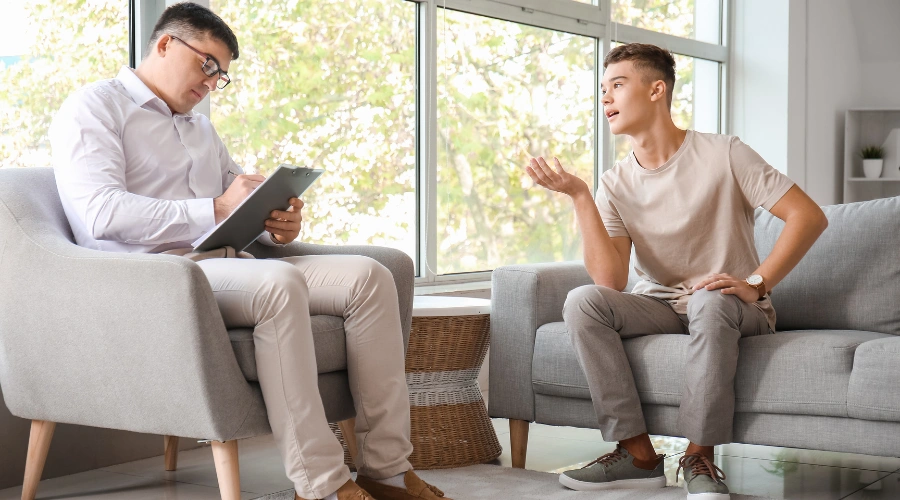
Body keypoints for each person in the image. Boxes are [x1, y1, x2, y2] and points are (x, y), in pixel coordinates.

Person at [49, 3, 449, 500]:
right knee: (279, 284)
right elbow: (99, 213)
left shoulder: (200, 129)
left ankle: (386, 469)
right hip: (154, 274)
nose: (211, 83)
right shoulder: (94, 107)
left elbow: (234, 209)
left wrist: (274, 224)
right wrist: (217, 207)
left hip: (223, 266)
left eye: (220, 76)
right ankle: (321, 484)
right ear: (166, 44)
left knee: (370, 276)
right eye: (208, 66)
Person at [525, 43, 828, 499]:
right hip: (660, 304)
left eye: (618, 85)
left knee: (709, 299)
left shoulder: (725, 153)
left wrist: (755, 283)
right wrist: (581, 196)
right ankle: (637, 454)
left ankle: (699, 456)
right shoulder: (614, 183)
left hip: (729, 306)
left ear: (656, 90)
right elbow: (609, 280)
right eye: (602, 89)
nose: (605, 98)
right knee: (582, 300)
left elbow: (809, 216)